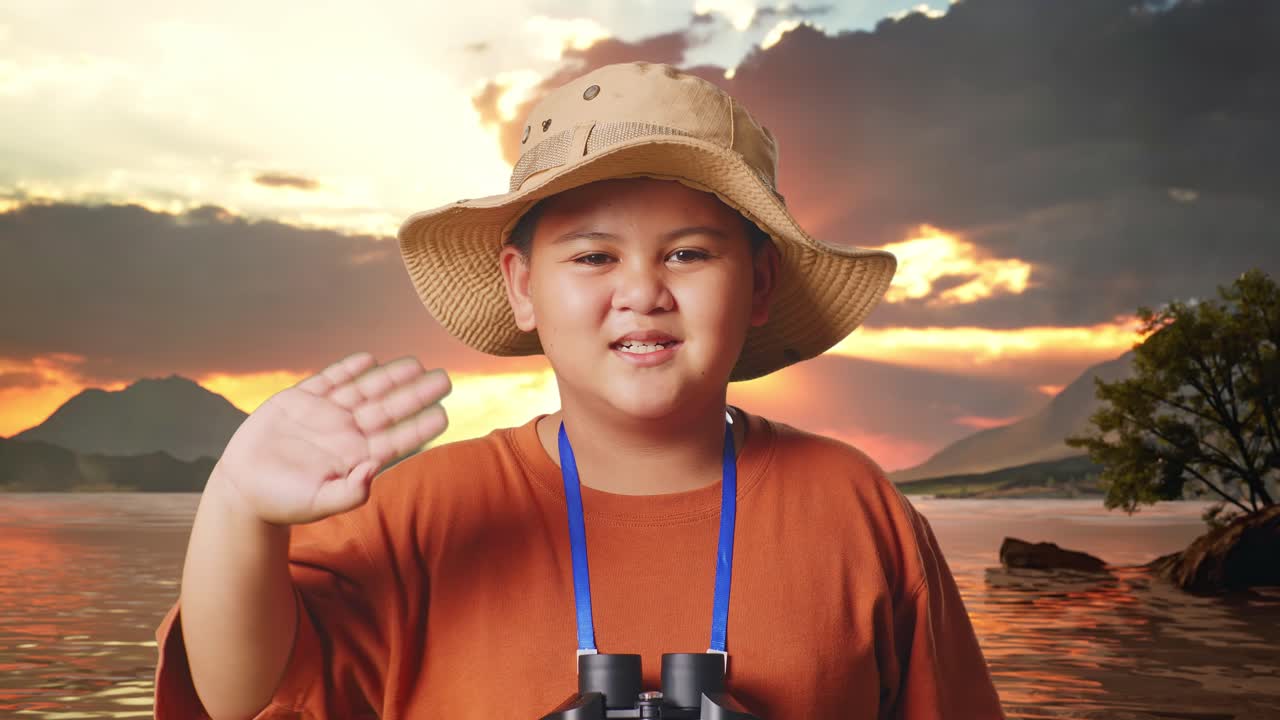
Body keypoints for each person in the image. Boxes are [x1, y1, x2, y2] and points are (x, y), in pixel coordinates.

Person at [151, 61, 1006, 719]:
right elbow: (240, 696)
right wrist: (238, 506)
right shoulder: (424, 511)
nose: (642, 290)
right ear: (522, 285)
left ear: (760, 285)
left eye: (689, 254)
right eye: (593, 256)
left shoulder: (853, 504)